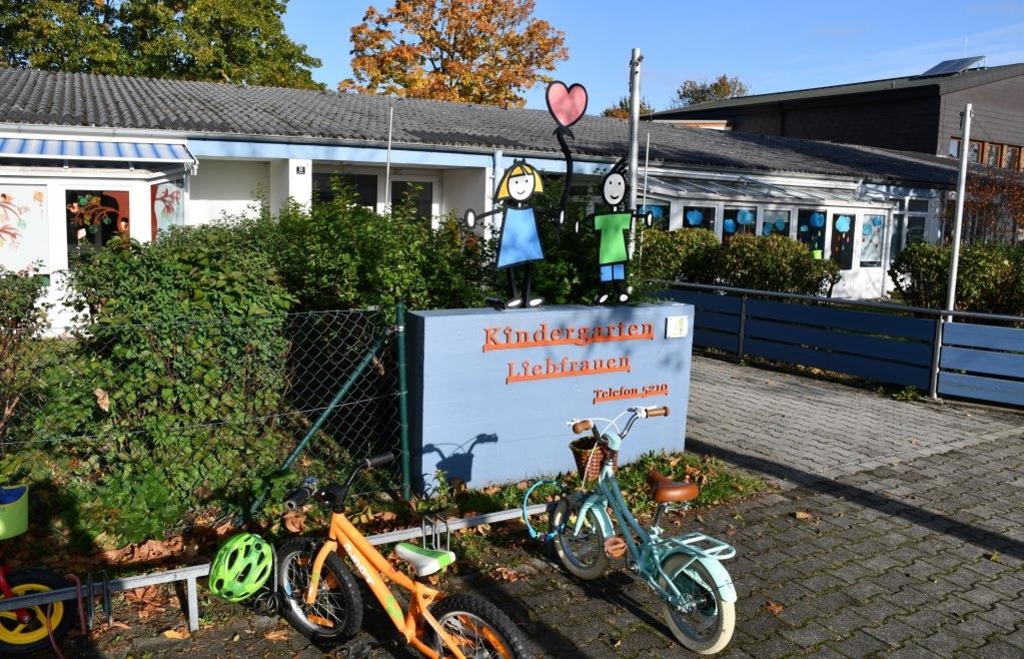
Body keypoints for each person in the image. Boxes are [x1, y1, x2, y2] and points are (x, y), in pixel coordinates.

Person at [465, 160, 559, 309]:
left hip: (528, 237)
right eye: (516, 182)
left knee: (530, 263)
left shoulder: (531, 208)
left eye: (526, 181)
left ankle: (527, 296)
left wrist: (558, 215)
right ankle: (514, 295)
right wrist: (476, 218)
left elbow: (546, 211)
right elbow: (493, 211)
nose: (521, 187)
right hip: (512, 236)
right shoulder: (509, 210)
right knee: (510, 264)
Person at [578, 159, 650, 304]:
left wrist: (645, 217)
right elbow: (591, 219)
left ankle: (618, 292)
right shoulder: (604, 217)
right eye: (610, 184)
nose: (615, 190)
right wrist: (580, 223)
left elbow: (633, 216)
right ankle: (605, 292)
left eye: (619, 185)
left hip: (616, 251)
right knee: (606, 272)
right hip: (607, 251)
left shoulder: (616, 217)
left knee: (617, 273)